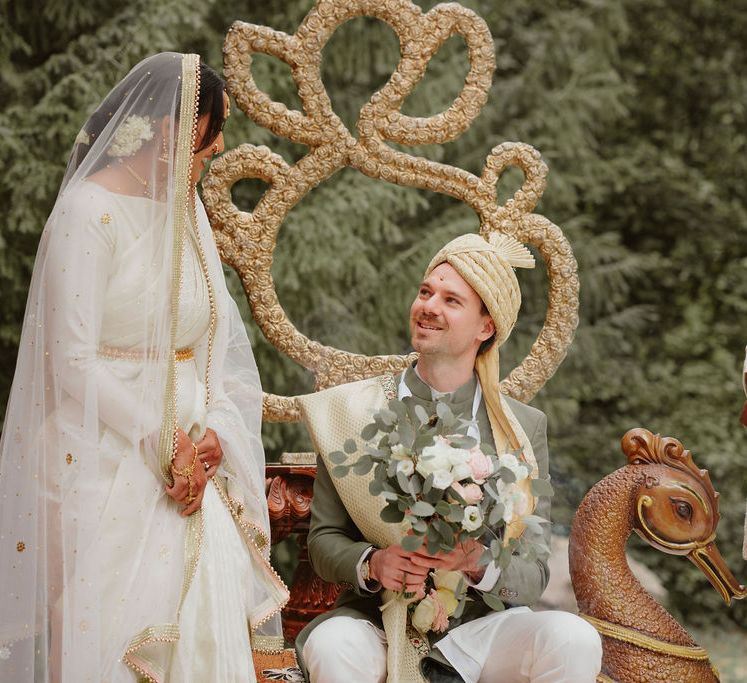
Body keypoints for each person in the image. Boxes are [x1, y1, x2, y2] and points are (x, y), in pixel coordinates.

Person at [0, 53, 288, 682]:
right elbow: (71, 359)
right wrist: (164, 442)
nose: (207, 161)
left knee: (207, 622)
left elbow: (212, 329)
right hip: (103, 452)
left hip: (191, 461)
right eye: (204, 146)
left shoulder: (186, 211)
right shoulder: (87, 213)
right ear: (170, 135)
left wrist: (213, 427)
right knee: (112, 628)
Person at [295, 233, 602, 682]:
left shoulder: (521, 426)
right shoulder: (350, 412)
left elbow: (534, 571)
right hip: (376, 621)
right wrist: (374, 563)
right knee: (333, 644)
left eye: (451, 299)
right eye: (425, 292)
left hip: (483, 628)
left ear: (486, 326)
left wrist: (474, 563)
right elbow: (323, 541)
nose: (429, 306)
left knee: (573, 637)